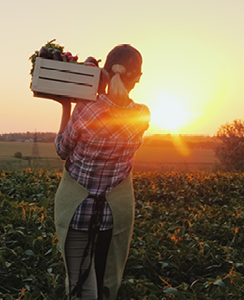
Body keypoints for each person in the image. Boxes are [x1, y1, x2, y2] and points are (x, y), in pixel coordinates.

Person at [53, 44, 150, 300]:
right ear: (137, 78)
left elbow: (62, 149)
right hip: (112, 214)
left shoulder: (87, 109)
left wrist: (67, 105)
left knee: (80, 284)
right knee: (105, 279)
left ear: (104, 73)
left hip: (77, 212)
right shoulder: (142, 115)